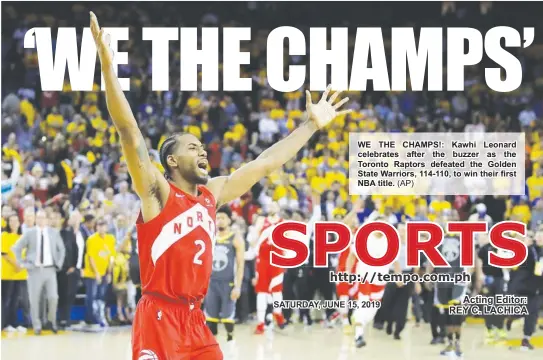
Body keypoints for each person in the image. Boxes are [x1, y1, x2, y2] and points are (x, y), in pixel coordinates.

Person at [90, 12, 351, 360]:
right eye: (191, 147)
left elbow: (265, 164)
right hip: (159, 316)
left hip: (195, 319)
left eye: (202, 146)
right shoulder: (158, 193)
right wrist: (108, 67)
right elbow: (129, 132)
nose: (202, 151)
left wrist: (310, 127)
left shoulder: (212, 195)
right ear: (171, 161)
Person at [12, 210, 65, 335]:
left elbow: (61, 249)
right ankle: (37, 325)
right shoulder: (29, 233)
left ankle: (51, 322)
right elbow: (16, 248)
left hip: (50, 269)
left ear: (47, 219)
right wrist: (22, 263)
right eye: (38, 218)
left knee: (53, 297)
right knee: (34, 300)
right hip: (34, 270)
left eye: (43, 218)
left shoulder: (53, 232)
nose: (41, 220)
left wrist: (59, 263)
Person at [346, 215, 392, 348]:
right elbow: (351, 256)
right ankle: (358, 335)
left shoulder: (390, 240)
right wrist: (348, 273)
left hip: (380, 280)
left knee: (372, 310)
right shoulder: (363, 237)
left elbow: (394, 262)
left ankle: (358, 320)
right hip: (364, 277)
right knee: (363, 302)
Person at [428, 233, 473, 357]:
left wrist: (468, 278)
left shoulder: (464, 242)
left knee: (456, 315)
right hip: (442, 283)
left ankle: (457, 343)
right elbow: (431, 262)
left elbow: (470, 262)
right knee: (446, 315)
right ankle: (450, 343)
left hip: (458, 282)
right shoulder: (437, 242)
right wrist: (429, 277)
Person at [204, 206, 245, 342]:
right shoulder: (209, 236)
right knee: (210, 320)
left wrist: (237, 286)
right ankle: (212, 350)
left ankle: (231, 343)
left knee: (228, 320)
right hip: (211, 283)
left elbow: (240, 265)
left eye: (223, 218)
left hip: (228, 283)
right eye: (218, 217)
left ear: (229, 220)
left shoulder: (235, 238)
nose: (220, 221)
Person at [250, 201, 288, 334]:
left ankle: (278, 313)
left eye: (274, 205)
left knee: (277, 289)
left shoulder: (283, 223)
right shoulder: (262, 221)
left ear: (279, 208)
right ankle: (260, 322)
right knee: (262, 291)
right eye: (270, 205)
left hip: (277, 259)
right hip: (263, 260)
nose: (271, 207)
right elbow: (253, 240)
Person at [82, 218, 116, 329]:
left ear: (106, 227)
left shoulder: (111, 239)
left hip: (105, 272)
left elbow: (111, 256)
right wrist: (96, 272)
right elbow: (91, 257)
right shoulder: (91, 239)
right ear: (96, 227)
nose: (101, 227)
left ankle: (99, 317)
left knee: (101, 296)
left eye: (103, 225)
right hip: (92, 273)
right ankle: (90, 319)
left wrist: (109, 272)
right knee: (91, 296)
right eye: (99, 225)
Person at [476, 233, 508, 343]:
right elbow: (479, 262)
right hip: (488, 279)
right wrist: (480, 276)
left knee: (500, 304)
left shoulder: (503, 247)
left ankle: (500, 327)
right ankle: (489, 328)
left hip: (500, 279)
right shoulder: (484, 249)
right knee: (488, 304)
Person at [1, 214, 29, 332]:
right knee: (5, 299)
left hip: (20, 274)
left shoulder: (22, 236)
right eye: (11, 221)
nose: (13, 223)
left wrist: (22, 265)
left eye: (15, 221)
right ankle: (4, 323)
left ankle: (13, 322)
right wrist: (16, 264)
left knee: (15, 300)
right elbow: (4, 253)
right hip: (7, 274)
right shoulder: (5, 236)